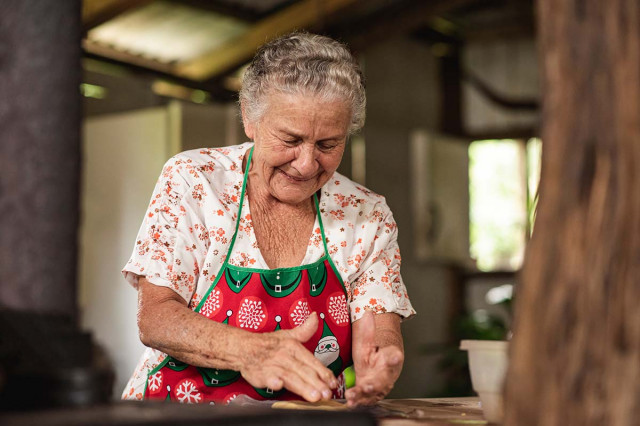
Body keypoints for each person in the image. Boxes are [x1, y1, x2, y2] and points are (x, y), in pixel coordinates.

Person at [121, 32, 415, 406]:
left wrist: (382, 359)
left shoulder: (366, 214)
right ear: (249, 118)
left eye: (328, 144)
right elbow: (156, 317)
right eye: (290, 140)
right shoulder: (195, 180)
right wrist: (249, 351)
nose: (307, 164)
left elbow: (378, 328)